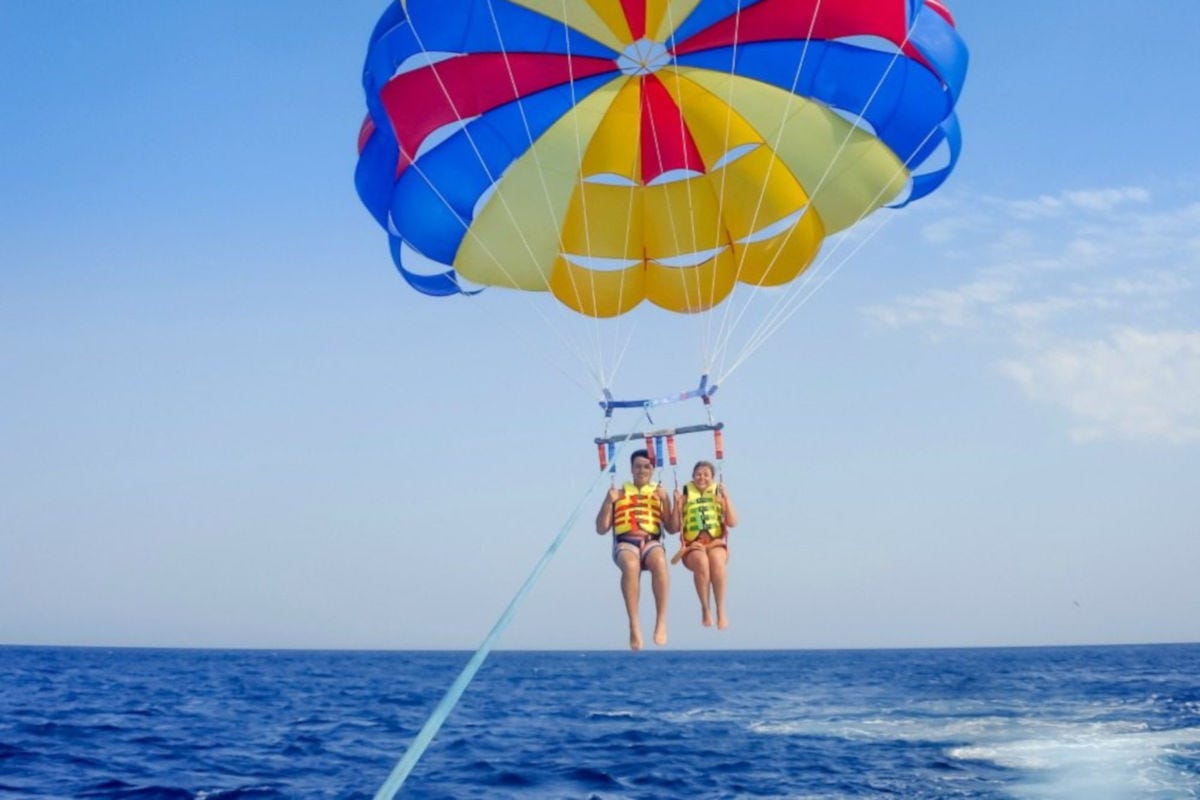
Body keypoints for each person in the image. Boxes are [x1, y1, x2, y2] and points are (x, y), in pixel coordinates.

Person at [595, 448, 677, 650]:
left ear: (652, 469)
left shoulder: (659, 494)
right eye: (638, 466)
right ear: (631, 469)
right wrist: (607, 502)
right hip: (626, 543)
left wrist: (667, 500)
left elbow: (673, 529)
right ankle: (634, 625)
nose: (642, 470)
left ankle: (661, 621)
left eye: (646, 466)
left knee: (659, 560)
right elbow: (601, 528)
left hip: (651, 541)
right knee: (631, 566)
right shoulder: (619, 494)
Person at [673, 460, 739, 629]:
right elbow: (673, 528)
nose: (701, 477)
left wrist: (727, 498)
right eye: (698, 474)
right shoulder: (685, 496)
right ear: (693, 476)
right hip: (693, 546)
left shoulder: (718, 495)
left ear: (712, 478)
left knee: (717, 562)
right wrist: (676, 505)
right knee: (702, 563)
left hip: (716, 543)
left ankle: (720, 609)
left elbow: (732, 522)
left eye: (706, 475)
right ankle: (705, 607)